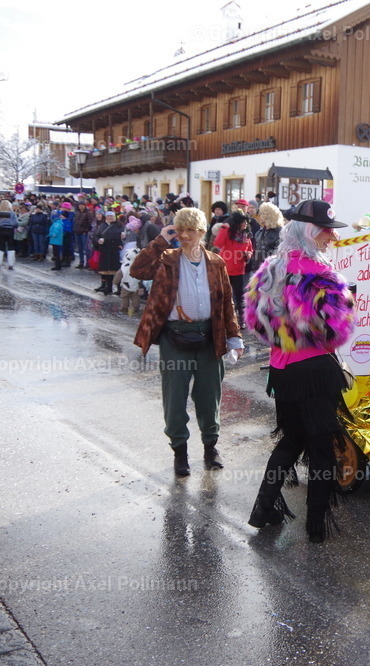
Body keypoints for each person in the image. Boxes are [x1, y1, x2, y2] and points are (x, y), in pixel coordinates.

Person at [243, 200, 355, 543]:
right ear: (310, 232)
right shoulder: (322, 275)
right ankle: (316, 528)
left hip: (282, 369)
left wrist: (287, 335)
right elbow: (338, 329)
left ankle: (262, 510)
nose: (331, 239)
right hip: (315, 370)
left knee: (291, 440)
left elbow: (254, 320)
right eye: (326, 232)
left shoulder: (270, 269)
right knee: (321, 448)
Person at [131, 207, 243, 477]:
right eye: (180, 229)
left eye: (191, 229)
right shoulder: (167, 258)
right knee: (175, 398)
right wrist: (161, 239)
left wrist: (234, 337)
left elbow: (227, 302)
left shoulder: (216, 263)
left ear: (202, 232)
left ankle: (210, 448)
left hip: (210, 336)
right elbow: (137, 270)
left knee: (209, 397)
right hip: (174, 336)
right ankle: (180, 452)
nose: (185, 235)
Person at [213, 211, 254, 322]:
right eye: (242, 222)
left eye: (246, 221)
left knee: (240, 295)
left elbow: (250, 250)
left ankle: (241, 319)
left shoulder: (246, 236)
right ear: (236, 223)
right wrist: (224, 229)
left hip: (239, 270)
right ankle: (222, 317)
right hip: (225, 269)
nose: (245, 224)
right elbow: (217, 243)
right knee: (223, 294)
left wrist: (248, 254)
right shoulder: (227, 233)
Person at [93, 211, 125, 294]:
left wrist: (122, 241)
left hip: (115, 250)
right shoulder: (102, 226)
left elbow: (124, 237)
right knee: (107, 270)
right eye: (108, 216)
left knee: (117, 270)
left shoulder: (119, 225)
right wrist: (98, 241)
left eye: (111, 216)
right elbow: (96, 236)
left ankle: (119, 289)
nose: (110, 218)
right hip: (105, 250)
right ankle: (108, 287)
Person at [250, 201, 284, 272]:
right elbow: (255, 251)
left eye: (261, 214)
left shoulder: (280, 232)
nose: (259, 216)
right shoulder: (259, 232)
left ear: (268, 216)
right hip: (258, 271)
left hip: (272, 272)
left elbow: (282, 255)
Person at [0, 200, 19, 270]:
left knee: (0, 246)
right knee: (10, 246)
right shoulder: (12, 213)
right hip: (10, 230)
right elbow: (15, 223)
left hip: (1, 230)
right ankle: (11, 264)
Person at [73, 201, 94, 269]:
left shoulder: (88, 213)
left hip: (84, 232)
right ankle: (81, 262)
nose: (81, 206)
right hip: (77, 232)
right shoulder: (77, 212)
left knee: (86, 248)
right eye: (80, 205)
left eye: (82, 205)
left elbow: (91, 223)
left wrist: (87, 230)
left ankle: (88, 263)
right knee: (80, 249)